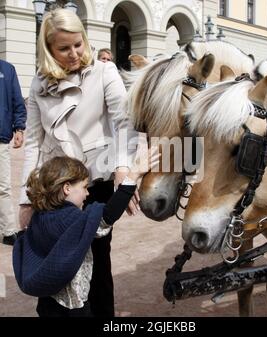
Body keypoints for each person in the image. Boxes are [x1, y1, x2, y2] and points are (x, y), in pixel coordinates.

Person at [18, 8, 139, 317]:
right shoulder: (38, 82)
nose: (74, 53)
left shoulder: (104, 72)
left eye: (78, 44)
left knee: (98, 262)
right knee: (55, 260)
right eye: (64, 48)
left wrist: (122, 169)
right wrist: (26, 199)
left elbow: (124, 123)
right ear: (49, 49)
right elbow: (33, 143)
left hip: (93, 185)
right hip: (54, 189)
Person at [13, 151, 158, 317]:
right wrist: (132, 176)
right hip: (73, 310)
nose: (88, 193)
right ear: (67, 188)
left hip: (46, 304)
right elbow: (107, 216)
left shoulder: (40, 216)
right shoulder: (70, 220)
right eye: (84, 187)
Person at [0, 59, 27, 245]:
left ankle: (8, 230)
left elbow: (17, 100)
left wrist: (19, 128)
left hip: (0, 136)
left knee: (3, 186)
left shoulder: (7, 69)